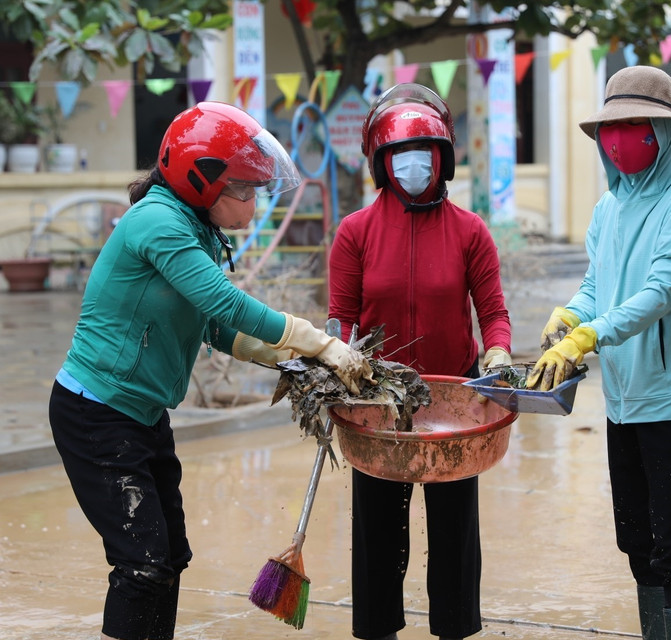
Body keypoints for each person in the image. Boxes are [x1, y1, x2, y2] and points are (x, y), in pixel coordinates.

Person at [47, 101, 372, 640]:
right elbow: (223, 303)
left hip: (143, 416)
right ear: (201, 182)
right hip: (96, 415)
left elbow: (213, 326)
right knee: (142, 564)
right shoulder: (156, 222)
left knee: (169, 557)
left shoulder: (195, 229)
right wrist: (321, 342)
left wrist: (292, 359)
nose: (250, 206)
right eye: (243, 190)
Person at [527, 66, 671, 640]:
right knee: (636, 541)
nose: (616, 138)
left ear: (664, 133)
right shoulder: (607, 208)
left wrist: (591, 336)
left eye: (633, 125)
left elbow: (661, 292)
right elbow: (597, 284)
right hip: (623, 403)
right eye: (610, 127)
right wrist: (571, 315)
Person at [327, 83, 512, 640]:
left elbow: (494, 313)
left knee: (456, 535)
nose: (413, 164)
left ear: (444, 158)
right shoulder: (354, 233)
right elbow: (341, 324)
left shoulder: (471, 232)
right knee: (378, 535)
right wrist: (339, 372)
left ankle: (454, 628)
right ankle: (379, 629)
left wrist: (499, 352)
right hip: (377, 403)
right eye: (400, 155)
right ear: (382, 163)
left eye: (425, 152)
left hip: (454, 403)